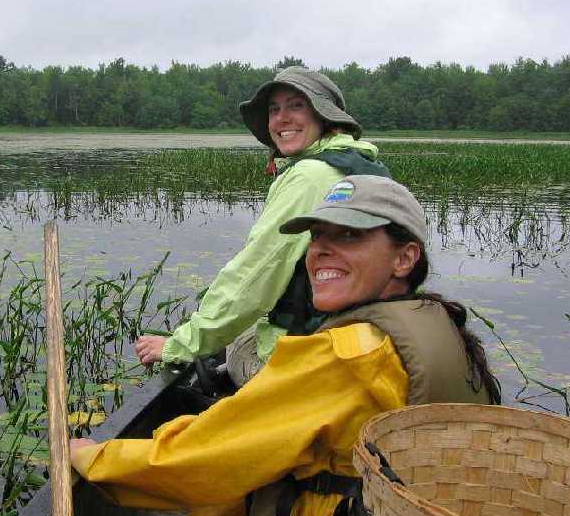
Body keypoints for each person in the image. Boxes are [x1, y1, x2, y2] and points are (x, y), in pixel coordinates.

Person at [72, 175, 501, 516]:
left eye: (350, 234)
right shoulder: (433, 317)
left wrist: (95, 458)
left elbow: (205, 457)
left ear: (404, 259)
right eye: (317, 236)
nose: (319, 251)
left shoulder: (350, 354)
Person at [135, 66, 390, 379]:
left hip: (314, 355)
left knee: (239, 343)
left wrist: (180, 344)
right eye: (274, 109)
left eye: (296, 105)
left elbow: (256, 274)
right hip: (357, 340)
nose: (281, 119)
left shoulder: (310, 177)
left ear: (325, 117)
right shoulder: (361, 164)